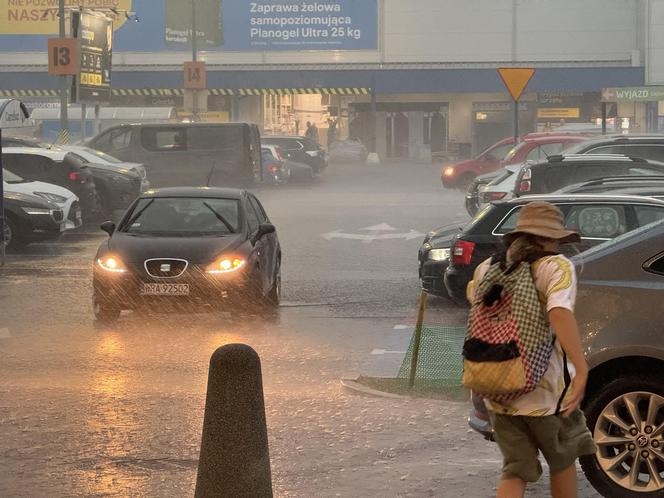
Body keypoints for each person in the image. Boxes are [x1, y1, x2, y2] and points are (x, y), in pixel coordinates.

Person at [466, 201, 597, 498]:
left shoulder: (487, 267)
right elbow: (559, 313)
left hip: (498, 388)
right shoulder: (556, 266)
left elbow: (477, 313)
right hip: (548, 391)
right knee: (562, 460)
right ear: (552, 237)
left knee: (515, 468)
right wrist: (581, 368)